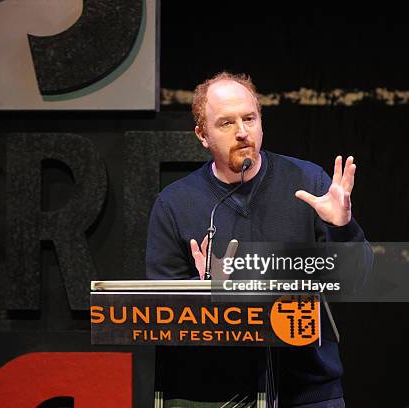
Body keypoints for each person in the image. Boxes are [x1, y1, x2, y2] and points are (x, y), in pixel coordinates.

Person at [146, 71, 370, 407]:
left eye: (249, 118)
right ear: (202, 134)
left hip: (309, 391)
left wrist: (343, 227)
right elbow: (160, 318)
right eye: (225, 123)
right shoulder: (175, 203)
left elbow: (358, 280)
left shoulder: (309, 181)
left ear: (261, 122)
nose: (241, 132)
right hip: (219, 395)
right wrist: (204, 287)